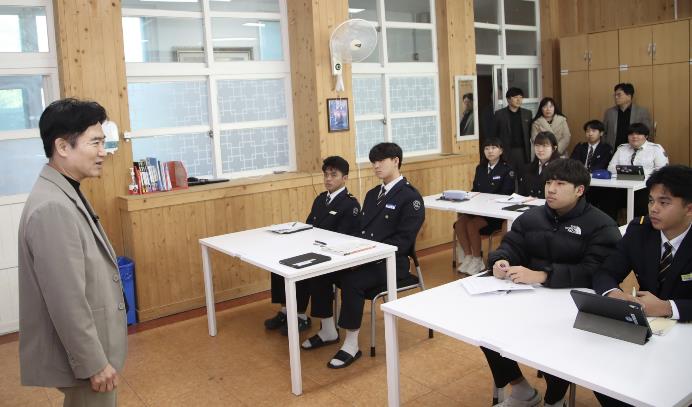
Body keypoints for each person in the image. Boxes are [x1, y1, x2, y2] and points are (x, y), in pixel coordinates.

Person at [17, 99, 127, 407]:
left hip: (92, 348)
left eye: (103, 142)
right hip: (86, 359)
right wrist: (93, 363)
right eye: (95, 143)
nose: (103, 152)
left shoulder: (65, 189)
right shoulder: (52, 207)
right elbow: (66, 300)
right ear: (63, 147)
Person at [484, 158, 620, 407]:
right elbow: (512, 245)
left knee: (556, 342)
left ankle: (555, 399)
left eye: (560, 184)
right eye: (548, 183)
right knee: (484, 328)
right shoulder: (532, 217)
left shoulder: (602, 225)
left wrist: (543, 275)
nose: (551, 189)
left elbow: (595, 272)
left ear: (579, 190)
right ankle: (521, 390)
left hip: (570, 306)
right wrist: (501, 260)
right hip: (528, 297)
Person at [303, 142, 425, 369]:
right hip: (364, 257)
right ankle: (328, 329)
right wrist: (348, 251)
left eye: (381, 161)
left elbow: (403, 242)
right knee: (321, 270)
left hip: (391, 262)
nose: (376, 166)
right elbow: (361, 231)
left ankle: (351, 344)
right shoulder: (372, 194)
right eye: (373, 162)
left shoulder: (410, 197)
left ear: (396, 161)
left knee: (352, 280)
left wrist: (367, 254)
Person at [592, 165, 692, 407]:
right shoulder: (639, 231)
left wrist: (668, 307)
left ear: (689, 208)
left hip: (686, 336)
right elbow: (605, 272)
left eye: (664, 202)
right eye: (651, 200)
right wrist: (614, 293)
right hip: (648, 333)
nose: (653, 208)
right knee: (600, 377)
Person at [264, 156, 360, 335]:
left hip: (333, 256)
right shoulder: (320, 199)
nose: (328, 179)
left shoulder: (350, 204)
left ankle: (300, 316)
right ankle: (286, 310)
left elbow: (344, 238)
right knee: (280, 263)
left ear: (345, 178)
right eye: (326, 175)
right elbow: (309, 226)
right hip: (313, 249)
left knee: (305, 270)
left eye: (333, 175)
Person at [455, 138, 515, 275]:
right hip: (478, 210)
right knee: (459, 224)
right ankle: (469, 256)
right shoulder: (480, 168)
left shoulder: (507, 170)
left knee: (472, 225)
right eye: (487, 148)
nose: (490, 151)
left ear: (501, 150)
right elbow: (475, 189)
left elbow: (506, 194)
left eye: (494, 148)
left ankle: (478, 260)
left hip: (495, 214)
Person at [606, 122, 668, 219]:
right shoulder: (622, 148)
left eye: (639, 134)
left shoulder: (655, 149)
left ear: (646, 136)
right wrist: (633, 171)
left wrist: (640, 173)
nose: (634, 137)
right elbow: (610, 168)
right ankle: (612, 225)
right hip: (622, 187)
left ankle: (639, 224)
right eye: (631, 134)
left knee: (642, 201)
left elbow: (662, 171)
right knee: (607, 197)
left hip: (645, 187)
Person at [493, 87, 533, 169]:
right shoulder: (499, 114)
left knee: (524, 174)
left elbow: (531, 132)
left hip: (523, 151)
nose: (519, 100)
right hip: (506, 151)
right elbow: (495, 134)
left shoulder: (527, 113)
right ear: (508, 99)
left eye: (521, 97)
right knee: (507, 173)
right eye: (515, 97)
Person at [602, 83, 652, 149]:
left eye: (619, 95)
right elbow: (603, 132)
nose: (616, 97)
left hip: (635, 150)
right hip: (613, 150)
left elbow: (648, 133)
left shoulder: (642, 112)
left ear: (629, 96)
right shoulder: (609, 112)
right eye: (615, 95)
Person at [518, 131, 561, 198]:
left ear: (554, 148)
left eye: (545, 146)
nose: (540, 150)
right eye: (537, 146)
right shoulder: (527, 168)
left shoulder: (560, 168)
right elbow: (521, 194)